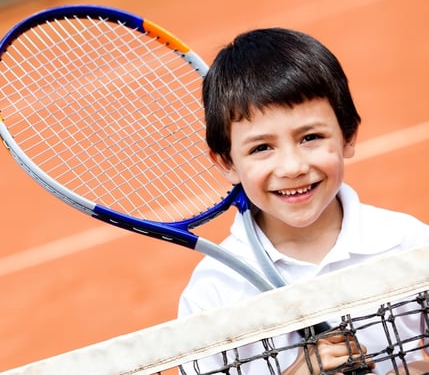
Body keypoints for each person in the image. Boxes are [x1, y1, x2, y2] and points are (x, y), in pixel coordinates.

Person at [177, 28, 429, 374]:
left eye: (310, 137)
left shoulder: (409, 243)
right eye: (261, 148)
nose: (292, 167)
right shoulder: (214, 293)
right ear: (227, 162)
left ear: (348, 135)